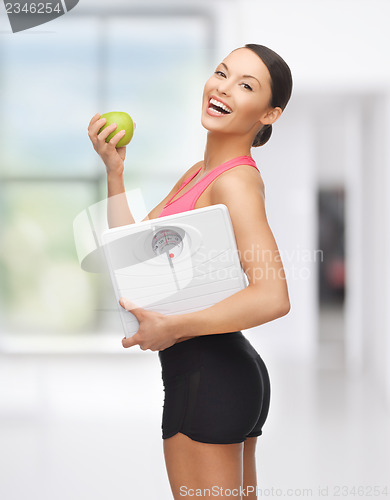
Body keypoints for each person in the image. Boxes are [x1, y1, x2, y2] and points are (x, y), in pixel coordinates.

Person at [88, 43, 292, 499]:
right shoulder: (198, 173)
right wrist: (115, 172)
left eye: (246, 85)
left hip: (209, 380)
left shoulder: (235, 180)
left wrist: (173, 327)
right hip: (225, 373)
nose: (223, 87)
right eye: (222, 73)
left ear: (269, 114)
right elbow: (132, 256)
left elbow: (272, 295)